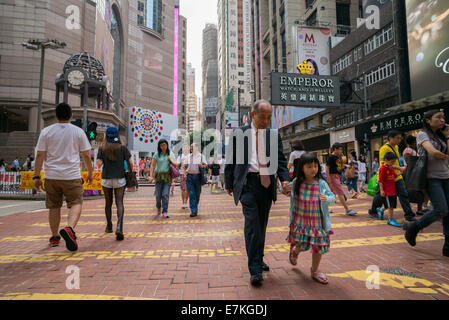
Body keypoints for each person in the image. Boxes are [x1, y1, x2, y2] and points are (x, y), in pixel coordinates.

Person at [225, 99, 291, 287]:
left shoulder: (273, 134)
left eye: (269, 118)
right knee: (253, 226)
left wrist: (284, 179)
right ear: (253, 115)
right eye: (263, 117)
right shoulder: (239, 133)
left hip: (266, 185)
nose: (266, 121)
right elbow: (231, 159)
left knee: (261, 226)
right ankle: (254, 270)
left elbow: (280, 160)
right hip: (248, 185)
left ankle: (258, 258)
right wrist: (229, 182)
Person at [33, 103, 93, 251]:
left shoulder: (46, 132)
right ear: (71, 116)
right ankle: (70, 229)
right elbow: (86, 154)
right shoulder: (78, 132)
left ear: (55, 115)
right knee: (76, 202)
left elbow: (40, 154)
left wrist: (36, 176)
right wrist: (90, 172)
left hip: (51, 176)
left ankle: (54, 237)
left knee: (54, 206)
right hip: (71, 175)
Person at [404, 110, 449, 257]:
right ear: (428, 120)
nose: (442, 120)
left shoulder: (441, 136)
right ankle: (415, 227)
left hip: (446, 176)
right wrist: (446, 156)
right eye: (438, 118)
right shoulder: (423, 134)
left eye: (443, 118)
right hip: (431, 178)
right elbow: (433, 152)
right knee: (441, 210)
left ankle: (448, 245)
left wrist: (448, 136)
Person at [287, 153, 336, 284]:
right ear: (302, 168)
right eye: (309, 166)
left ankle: (315, 270)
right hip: (301, 223)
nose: (313, 169)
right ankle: (295, 251)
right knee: (303, 246)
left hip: (318, 224)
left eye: (315, 166)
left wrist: (327, 199)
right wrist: (283, 187)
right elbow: (286, 191)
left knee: (319, 246)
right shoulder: (297, 182)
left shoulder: (321, 184)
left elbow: (333, 197)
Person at [368, 130, 416, 221]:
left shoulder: (396, 147)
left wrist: (401, 167)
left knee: (403, 194)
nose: (400, 140)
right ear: (390, 138)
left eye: (400, 138)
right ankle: (373, 210)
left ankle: (409, 214)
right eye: (397, 138)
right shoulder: (384, 149)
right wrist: (400, 168)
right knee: (380, 195)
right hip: (385, 176)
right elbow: (384, 164)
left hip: (396, 176)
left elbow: (396, 159)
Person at [96, 127, 133, 240]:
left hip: (106, 179)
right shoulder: (123, 148)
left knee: (108, 203)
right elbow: (130, 162)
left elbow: (99, 164)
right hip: (120, 179)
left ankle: (109, 226)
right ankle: (119, 227)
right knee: (119, 203)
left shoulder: (102, 148)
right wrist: (130, 173)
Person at [148, 139, 178, 218]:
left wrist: (170, 159)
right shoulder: (157, 154)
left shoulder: (170, 154)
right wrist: (151, 176)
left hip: (167, 177)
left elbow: (175, 164)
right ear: (159, 146)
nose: (163, 147)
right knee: (158, 195)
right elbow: (152, 165)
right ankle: (158, 206)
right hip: (158, 177)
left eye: (164, 145)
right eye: (161, 145)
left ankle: (165, 211)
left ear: (167, 145)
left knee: (165, 195)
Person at [326, 143, 357, 216]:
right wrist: (328, 178)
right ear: (335, 149)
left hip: (338, 176)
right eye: (340, 149)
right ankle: (347, 209)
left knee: (331, 193)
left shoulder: (337, 157)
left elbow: (340, 165)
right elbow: (327, 168)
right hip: (333, 176)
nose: (341, 151)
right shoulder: (331, 157)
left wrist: (346, 165)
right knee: (340, 192)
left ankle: (325, 208)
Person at [403, 135, 426, 216]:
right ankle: (417, 209)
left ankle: (419, 209)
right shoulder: (408, 150)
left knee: (418, 190)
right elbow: (409, 161)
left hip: (413, 172)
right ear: (413, 142)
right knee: (416, 190)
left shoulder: (412, 150)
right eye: (415, 142)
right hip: (411, 172)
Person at [377, 152, 402, 227]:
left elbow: (394, 176)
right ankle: (390, 219)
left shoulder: (390, 167)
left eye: (394, 162)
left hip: (393, 190)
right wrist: (381, 190)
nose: (393, 163)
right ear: (386, 160)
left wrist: (401, 173)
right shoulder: (382, 169)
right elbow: (380, 181)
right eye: (392, 161)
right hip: (387, 192)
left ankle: (381, 210)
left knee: (391, 205)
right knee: (390, 206)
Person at [184, 143, 208, 217]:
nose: (191, 148)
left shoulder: (201, 156)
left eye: (192, 147)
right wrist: (185, 174)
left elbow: (206, 165)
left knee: (197, 193)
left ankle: (195, 205)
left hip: (198, 177)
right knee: (191, 194)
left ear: (197, 148)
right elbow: (185, 166)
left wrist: (202, 165)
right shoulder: (188, 156)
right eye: (190, 147)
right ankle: (193, 211)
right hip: (189, 176)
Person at [177, 144, 190, 209]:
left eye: (186, 147)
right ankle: (183, 202)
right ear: (182, 148)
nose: (185, 149)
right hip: (182, 174)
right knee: (183, 189)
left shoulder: (190, 156)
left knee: (187, 189)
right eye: (184, 147)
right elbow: (177, 165)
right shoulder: (180, 156)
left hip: (189, 174)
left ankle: (185, 202)